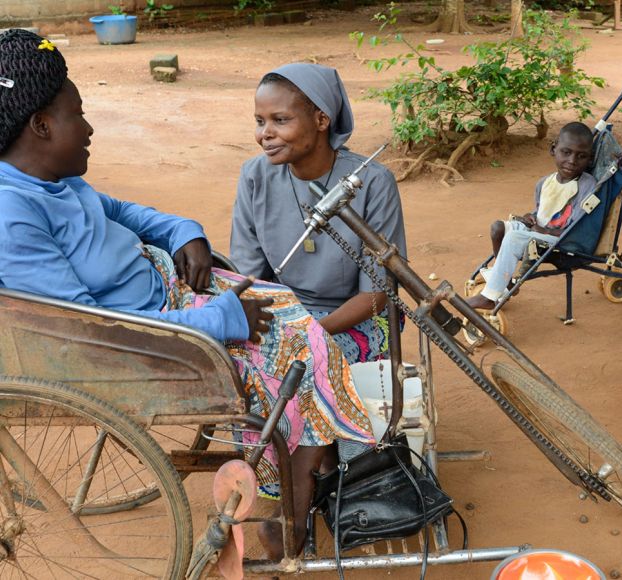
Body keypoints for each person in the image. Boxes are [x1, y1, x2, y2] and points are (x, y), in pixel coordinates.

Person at [0, 29, 373, 558]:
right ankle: (292, 504)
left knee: (292, 317)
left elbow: (122, 212)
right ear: (41, 126)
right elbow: (89, 330)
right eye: (77, 115)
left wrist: (183, 232)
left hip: (171, 294)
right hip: (148, 333)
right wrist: (221, 319)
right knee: (301, 349)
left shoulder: (55, 181)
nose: (89, 127)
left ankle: (310, 468)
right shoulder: (13, 215)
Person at [231, 63, 407, 365]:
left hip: (358, 317)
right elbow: (248, 275)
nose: (265, 134)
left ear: (321, 119)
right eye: (260, 121)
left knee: (305, 365)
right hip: (286, 313)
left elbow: (377, 293)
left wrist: (309, 334)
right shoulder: (254, 176)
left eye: (280, 120)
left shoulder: (373, 182)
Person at [466, 121, 597, 311]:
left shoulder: (587, 186)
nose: (572, 161)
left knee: (513, 237)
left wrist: (542, 230)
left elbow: (576, 228)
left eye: (581, 156)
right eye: (566, 152)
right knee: (498, 228)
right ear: (553, 149)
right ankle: (504, 280)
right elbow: (543, 213)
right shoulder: (544, 183)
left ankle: (489, 296)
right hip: (539, 232)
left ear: (590, 159)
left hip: (563, 243)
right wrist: (530, 217)